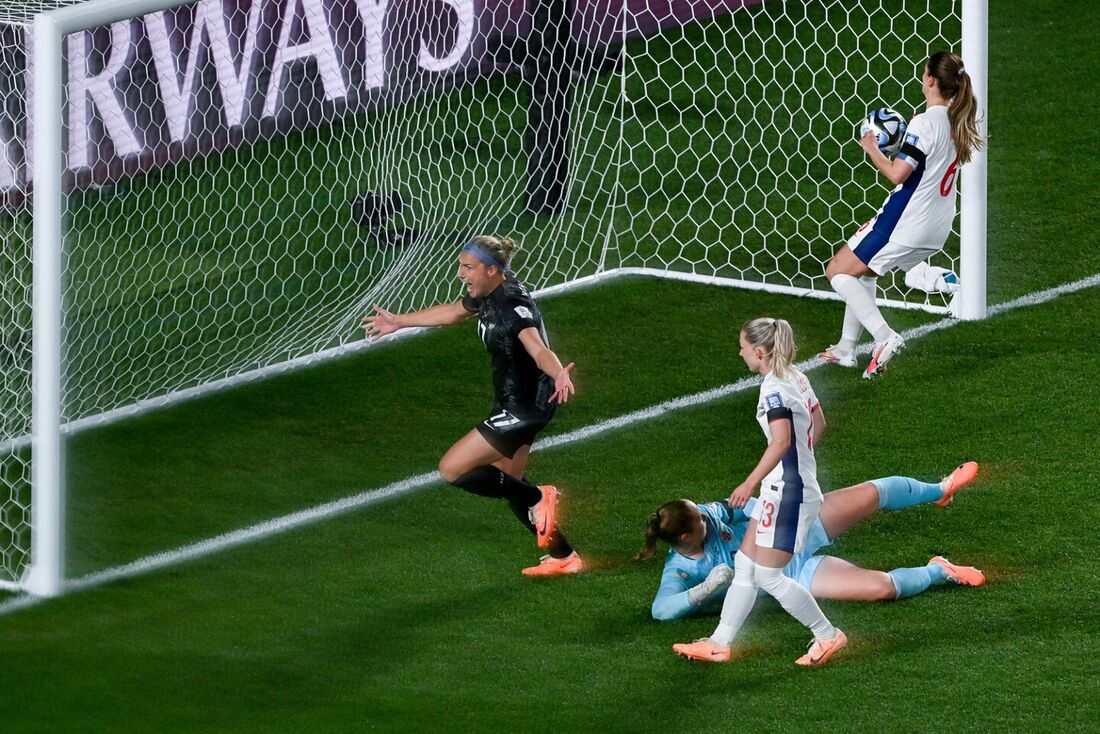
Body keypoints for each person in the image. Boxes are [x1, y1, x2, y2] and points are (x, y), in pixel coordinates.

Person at [362, 235, 582, 576]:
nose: (462, 274)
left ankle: (539, 497)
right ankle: (564, 556)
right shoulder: (487, 295)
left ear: (492, 270)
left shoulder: (510, 305)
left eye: (468, 267)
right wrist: (398, 322)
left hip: (522, 408)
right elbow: (453, 312)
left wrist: (557, 373)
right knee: (510, 481)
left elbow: (537, 347)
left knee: (453, 469)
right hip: (516, 401)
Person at [673, 318, 846, 666]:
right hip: (784, 487)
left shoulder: (774, 390)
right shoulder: (795, 376)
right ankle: (720, 642)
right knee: (746, 563)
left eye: (742, 347)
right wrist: (798, 463)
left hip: (789, 494)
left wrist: (750, 482)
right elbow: (819, 423)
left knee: (768, 575)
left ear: (759, 351)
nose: (739, 353)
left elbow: (781, 440)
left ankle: (827, 635)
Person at [638, 464, 983, 622]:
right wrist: (705, 589)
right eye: (697, 518)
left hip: (794, 528)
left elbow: (746, 507)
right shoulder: (680, 570)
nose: (704, 514)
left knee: (873, 493)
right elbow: (661, 610)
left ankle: (940, 489)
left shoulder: (710, 515)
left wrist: (774, 513)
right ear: (685, 538)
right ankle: (940, 570)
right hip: (796, 573)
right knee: (882, 588)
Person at [822, 50, 985, 379]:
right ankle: (845, 349)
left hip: (906, 220)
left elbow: (899, 174)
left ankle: (884, 337)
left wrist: (872, 149)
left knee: (837, 271)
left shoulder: (925, 122)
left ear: (929, 80)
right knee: (864, 273)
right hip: (937, 225)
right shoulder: (957, 119)